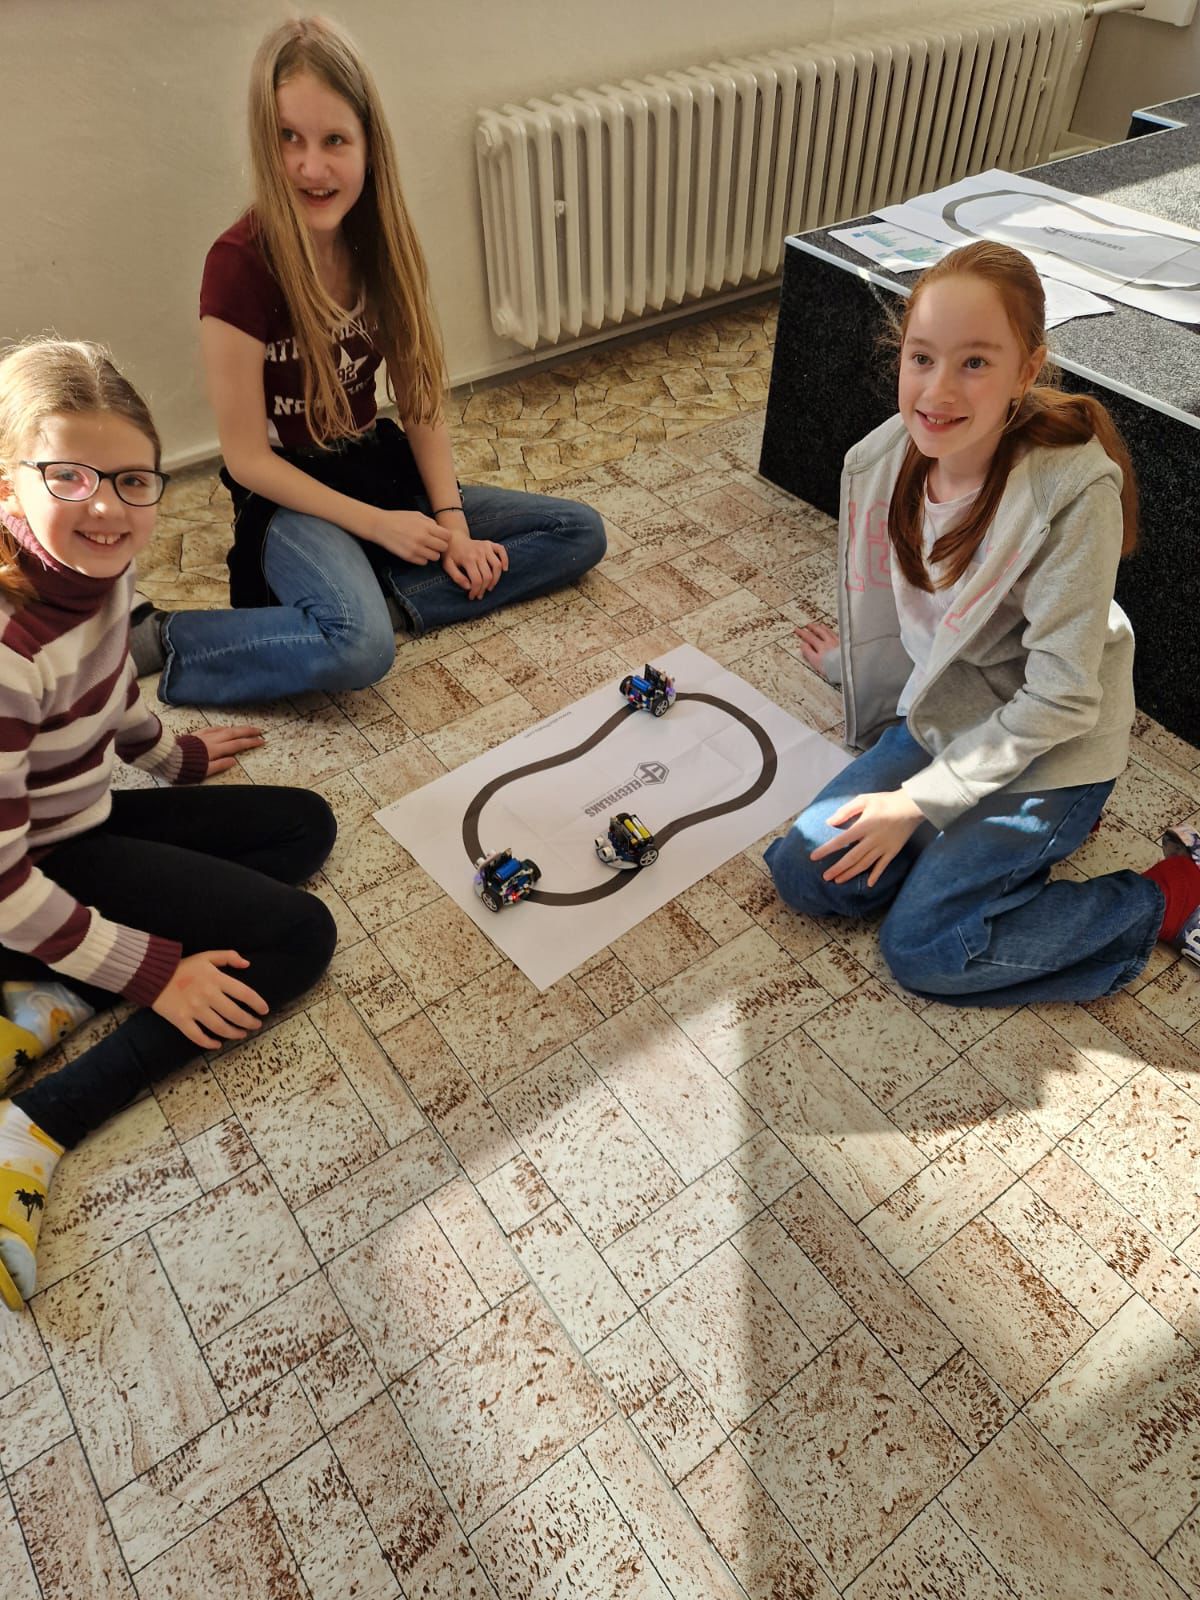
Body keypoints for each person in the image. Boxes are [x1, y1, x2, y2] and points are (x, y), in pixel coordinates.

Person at [764, 241, 1197, 1005]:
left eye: (974, 362)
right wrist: (853, 667)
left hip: (1053, 751)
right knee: (803, 871)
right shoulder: (887, 459)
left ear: (1027, 371)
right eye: (922, 357)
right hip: (950, 722)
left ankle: (1165, 894)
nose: (937, 390)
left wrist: (917, 804)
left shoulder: (1072, 495)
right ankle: (979, 855)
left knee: (925, 950)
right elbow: (927, 623)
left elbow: (1061, 699)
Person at [0, 340, 338, 1310]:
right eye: (69, 476)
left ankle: (53, 992)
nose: (108, 506)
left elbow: (109, 685)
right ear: (9, 486)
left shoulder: (94, 568)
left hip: (77, 823)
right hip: (29, 870)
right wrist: (153, 972)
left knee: (301, 827)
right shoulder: (8, 652)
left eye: (131, 479)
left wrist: (172, 758)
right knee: (298, 936)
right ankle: (36, 1124)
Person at [132, 15, 606, 706]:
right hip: (288, 497)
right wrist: (380, 526)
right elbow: (247, 460)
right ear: (264, 141)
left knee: (576, 532)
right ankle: (169, 636)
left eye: (334, 140)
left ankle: (381, 599)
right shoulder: (237, 265)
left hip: (373, 468)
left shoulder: (382, 244)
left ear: (367, 144)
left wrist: (451, 525)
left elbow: (418, 402)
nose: (311, 166)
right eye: (288, 137)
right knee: (361, 648)